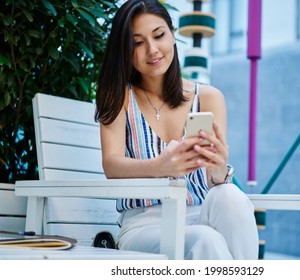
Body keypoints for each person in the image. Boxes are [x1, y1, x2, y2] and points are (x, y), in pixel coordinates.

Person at [95, 0, 258, 260]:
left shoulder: (209, 97)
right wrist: (161, 167)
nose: (152, 50)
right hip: (144, 225)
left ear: (172, 34)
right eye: (137, 43)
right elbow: (111, 165)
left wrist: (218, 172)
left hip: (200, 212)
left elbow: (214, 181)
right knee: (206, 239)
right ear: (125, 51)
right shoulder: (119, 96)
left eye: (159, 35)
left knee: (231, 196)